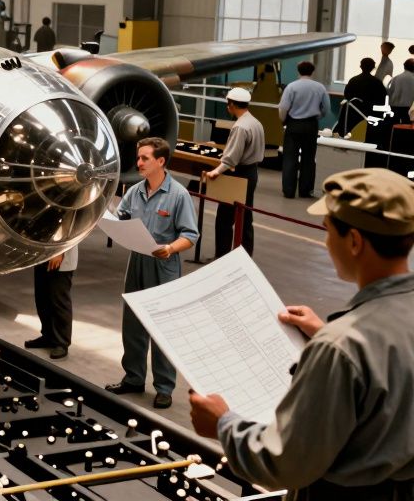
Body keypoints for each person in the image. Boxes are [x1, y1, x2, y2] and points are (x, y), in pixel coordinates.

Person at [190, 168, 414, 499]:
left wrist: (223, 424)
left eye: (328, 231)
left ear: (354, 241)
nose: (326, 243)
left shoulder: (341, 347)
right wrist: (327, 332)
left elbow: (286, 462)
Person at [106, 137, 199, 410]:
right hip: (137, 260)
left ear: (161, 161)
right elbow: (121, 217)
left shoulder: (178, 195)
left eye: (145, 158)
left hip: (164, 263)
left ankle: (164, 387)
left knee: (162, 327)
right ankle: (133, 377)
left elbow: (190, 235)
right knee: (132, 324)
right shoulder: (135, 191)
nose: (139, 162)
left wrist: (170, 248)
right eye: (138, 158)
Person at [204, 87, 265, 257]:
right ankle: (245, 255)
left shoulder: (240, 127)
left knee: (224, 218)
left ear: (231, 104)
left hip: (238, 174)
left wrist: (215, 171)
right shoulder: (255, 122)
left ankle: (221, 257)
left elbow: (232, 158)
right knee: (245, 217)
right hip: (252, 173)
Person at [278, 60, 329, 199]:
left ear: (298, 71)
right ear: (312, 71)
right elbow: (326, 108)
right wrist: (318, 116)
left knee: (290, 158)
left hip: (294, 125)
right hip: (311, 125)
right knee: (309, 158)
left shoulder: (291, 87)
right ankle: (305, 190)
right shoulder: (320, 87)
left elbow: (283, 107)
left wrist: (284, 120)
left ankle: (288, 190)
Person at [25, 244, 76, 360]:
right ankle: (48, 336)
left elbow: (68, 227)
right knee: (42, 297)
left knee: (59, 301)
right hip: (44, 253)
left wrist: (59, 252)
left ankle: (62, 343)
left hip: (60, 254)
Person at [335, 57, 388, 136]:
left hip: (352, 115)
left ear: (360, 66)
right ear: (373, 68)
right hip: (371, 116)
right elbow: (382, 100)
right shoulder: (377, 83)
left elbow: (347, 96)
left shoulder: (353, 80)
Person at [388, 58, 414, 125]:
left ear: (404, 66)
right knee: (407, 127)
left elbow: (389, 92)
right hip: (409, 108)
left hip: (394, 107)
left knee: (394, 126)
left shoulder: (396, 78)